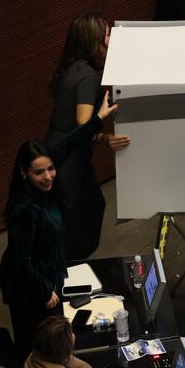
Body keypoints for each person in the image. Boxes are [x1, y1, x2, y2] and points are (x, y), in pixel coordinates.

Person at [0, 92, 118, 358]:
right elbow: (23, 259)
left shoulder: (47, 176)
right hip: (28, 287)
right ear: (24, 173)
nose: (48, 176)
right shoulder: (24, 211)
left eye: (50, 169)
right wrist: (44, 291)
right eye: (38, 172)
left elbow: (70, 142)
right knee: (37, 348)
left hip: (46, 272)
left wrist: (99, 117)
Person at [46, 14, 130, 260]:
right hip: (69, 160)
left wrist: (102, 139)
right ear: (94, 41)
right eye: (106, 35)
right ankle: (72, 274)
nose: (110, 39)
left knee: (84, 210)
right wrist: (102, 116)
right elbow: (82, 123)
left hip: (60, 149)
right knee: (81, 217)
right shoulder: (89, 76)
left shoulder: (74, 69)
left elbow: (76, 129)